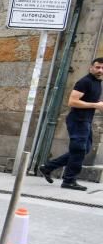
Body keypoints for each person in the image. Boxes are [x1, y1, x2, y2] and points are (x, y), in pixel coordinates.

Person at [38, 58, 103, 191]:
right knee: (79, 150)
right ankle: (69, 181)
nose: (100, 70)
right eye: (97, 67)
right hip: (78, 120)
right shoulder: (84, 82)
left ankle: (48, 167)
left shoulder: (97, 83)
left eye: (102, 68)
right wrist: (96, 105)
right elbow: (72, 102)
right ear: (91, 67)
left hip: (86, 120)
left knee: (83, 150)